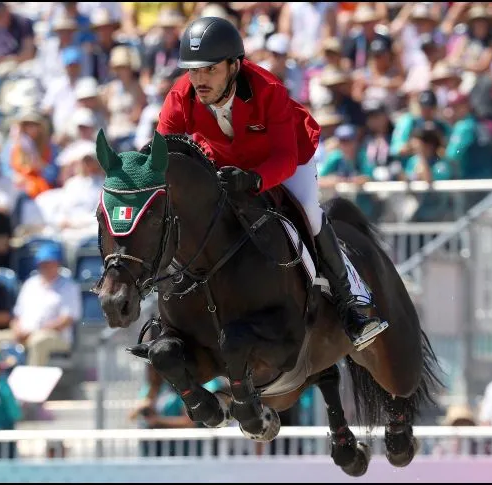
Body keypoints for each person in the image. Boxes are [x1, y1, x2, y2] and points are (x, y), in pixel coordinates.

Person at [157, 16, 387, 350]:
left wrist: (255, 178)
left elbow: (284, 158)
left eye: (210, 69)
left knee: (308, 212)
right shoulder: (181, 96)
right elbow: (161, 156)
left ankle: (353, 301)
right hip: (227, 159)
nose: (199, 80)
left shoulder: (268, 91)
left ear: (234, 66)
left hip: (287, 158)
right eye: (194, 70)